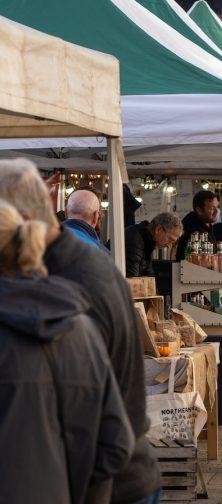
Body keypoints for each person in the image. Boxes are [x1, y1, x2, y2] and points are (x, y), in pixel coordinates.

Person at [0, 159, 161, 504]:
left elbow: (95, 423)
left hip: (110, 484)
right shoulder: (75, 267)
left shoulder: (69, 282)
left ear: (22, 221)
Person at [124, 212, 182, 277]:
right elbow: (131, 280)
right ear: (158, 229)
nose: (169, 246)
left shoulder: (147, 242)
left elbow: (149, 277)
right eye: (169, 239)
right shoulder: (135, 240)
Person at [175, 190, 219, 260]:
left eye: (217, 207)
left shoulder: (207, 228)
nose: (216, 212)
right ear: (199, 210)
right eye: (212, 208)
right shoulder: (195, 233)